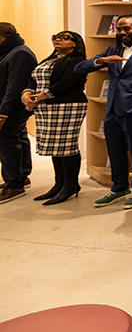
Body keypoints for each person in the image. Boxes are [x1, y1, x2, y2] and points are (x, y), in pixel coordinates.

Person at [75, 15, 132, 209]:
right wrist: (101, 60)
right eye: (119, 29)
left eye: (127, 28)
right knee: (114, 149)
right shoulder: (114, 50)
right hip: (112, 108)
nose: (122, 32)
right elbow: (79, 68)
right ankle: (119, 187)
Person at [21, 31, 88, 206]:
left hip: (68, 106)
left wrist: (37, 98)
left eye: (65, 37)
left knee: (67, 146)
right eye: (56, 37)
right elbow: (32, 80)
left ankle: (71, 185)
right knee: (55, 147)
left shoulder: (77, 60)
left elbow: (66, 84)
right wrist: (26, 95)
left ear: (75, 43)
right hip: (46, 107)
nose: (58, 39)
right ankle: (59, 184)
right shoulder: (50, 60)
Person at [0, 23, 38, 203]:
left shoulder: (19, 53)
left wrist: (3, 113)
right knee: (19, 138)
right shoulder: (11, 50)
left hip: (12, 108)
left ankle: (14, 184)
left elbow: (15, 87)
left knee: (7, 142)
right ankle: (21, 176)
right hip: (11, 108)